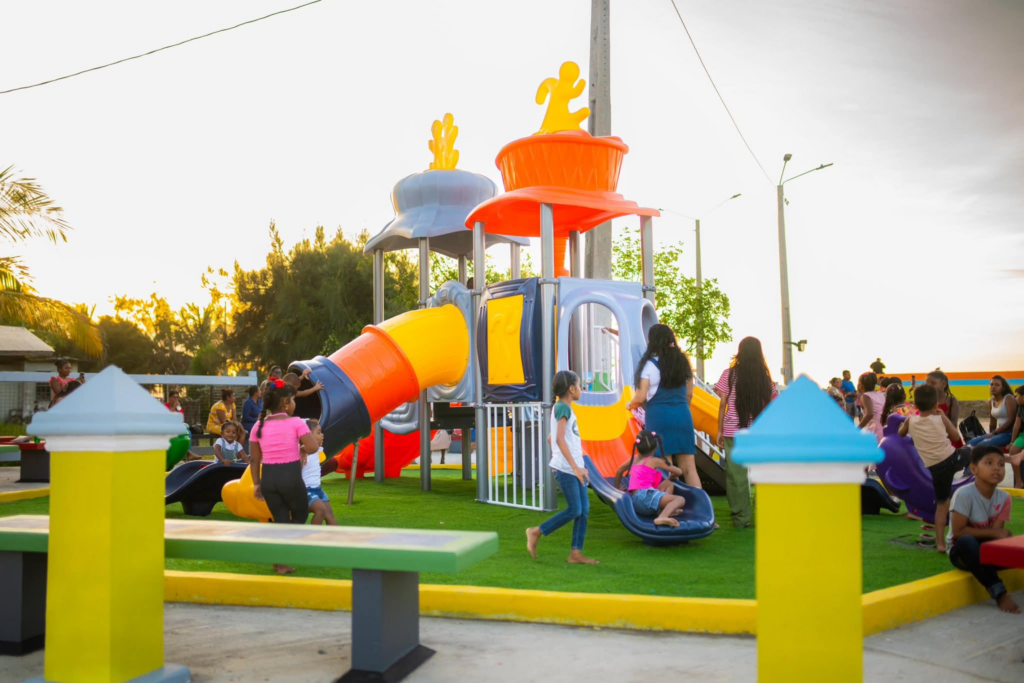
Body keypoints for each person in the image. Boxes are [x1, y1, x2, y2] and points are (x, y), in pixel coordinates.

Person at [526, 371, 598, 565]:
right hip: (567, 469)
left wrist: (575, 462)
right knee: (575, 509)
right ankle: (536, 532)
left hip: (573, 466)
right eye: (579, 385)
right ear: (571, 389)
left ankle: (575, 553)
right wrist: (573, 466)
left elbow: (552, 438)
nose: (581, 389)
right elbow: (558, 438)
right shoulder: (562, 408)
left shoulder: (563, 408)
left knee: (583, 510)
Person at [250, 381, 319, 574]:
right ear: (286, 402)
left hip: (268, 479)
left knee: (280, 519)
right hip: (290, 477)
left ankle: (280, 561)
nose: (295, 403)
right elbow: (313, 446)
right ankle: (281, 556)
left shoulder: (258, 426)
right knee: (300, 515)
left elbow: (254, 460)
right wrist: (302, 449)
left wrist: (256, 484)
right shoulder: (296, 422)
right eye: (294, 399)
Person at [625, 324, 701, 489]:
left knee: (665, 467)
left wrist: (629, 405)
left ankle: (668, 502)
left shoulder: (649, 365)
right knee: (689, 469)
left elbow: (640, 397)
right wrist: (681, 410)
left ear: (653, 341)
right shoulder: (683, 363)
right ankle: (702, 503)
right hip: (683, 416)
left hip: (659, 418)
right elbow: (689, 394)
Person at [946, 445, 1020, 614]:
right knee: (967, 542)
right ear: (974, 469)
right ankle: (999, 593)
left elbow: (995, 538)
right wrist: (997, 534)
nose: (997, 468)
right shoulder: (964, 494)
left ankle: (987, 569)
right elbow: (959, 532)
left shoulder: (1004, 498)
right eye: (989, 463)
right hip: (962, 552)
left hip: (986, 550)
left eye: (1001, 464)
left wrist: (1001, 537)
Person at [899, 384, 972, 553]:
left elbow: (901, 433)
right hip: (952, 458)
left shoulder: (911, 420)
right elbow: (956, 437)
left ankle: (940, 544)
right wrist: (944, 417)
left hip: (935, 468)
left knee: (942, 504)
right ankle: (982, 467)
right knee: (975, 450)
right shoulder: (940, 418)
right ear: (936, 405)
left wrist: (905, 423)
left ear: (915, 405)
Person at [715, 337, 778, 529]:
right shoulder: (766, 379)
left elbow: (722, 403)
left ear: (740, 352)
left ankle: (741, 517)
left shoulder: (729, 374)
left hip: (734, 431)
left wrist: (719, 430)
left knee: (736, 476)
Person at [614, 430, 687, 527]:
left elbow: (619, 471)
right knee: (680, 499)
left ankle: (663, 510)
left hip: (636, 502)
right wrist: (672, 476)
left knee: (667, 483)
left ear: (638, 447)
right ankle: (662, 516)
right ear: (655, 447)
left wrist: (617, 489)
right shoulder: (654, 461)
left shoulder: (634, 458)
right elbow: (679, 471)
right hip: (645, 497)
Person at [301, 419, 337, 526]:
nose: (322, 435)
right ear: (308, 436)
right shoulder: (301, 452)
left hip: (318, 489)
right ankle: (315, 534)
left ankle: (339, 535)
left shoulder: (318, 450)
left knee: (329, 515)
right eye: (318, 432)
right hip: (306, 490)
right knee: (320, 510)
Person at [967, 375, 1017, 450]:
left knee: (981, 445)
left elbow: (1011, 420)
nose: (993, 387)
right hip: (998, 432)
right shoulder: (991, 401)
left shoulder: (1009, 398)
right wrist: (990, 435)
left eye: (997, 385)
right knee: (971, 442)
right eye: (991, 384)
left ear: (1003, 387)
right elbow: (993, 422)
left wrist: (994, 433)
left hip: (1010, 433)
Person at [857, 372, 886, 443]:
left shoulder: (865, 396)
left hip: (875, 428)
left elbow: (869, 414)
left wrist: (858, 428)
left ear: (861, 385)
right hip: (884, 425)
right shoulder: (880, 394)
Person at [1007, 386, 1024, 488]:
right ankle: (1018, 481)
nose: (1015, 398)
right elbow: (1017, 425)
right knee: (1013, 451)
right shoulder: (1021, 407)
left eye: (1017, 396)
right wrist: (1012, 442)